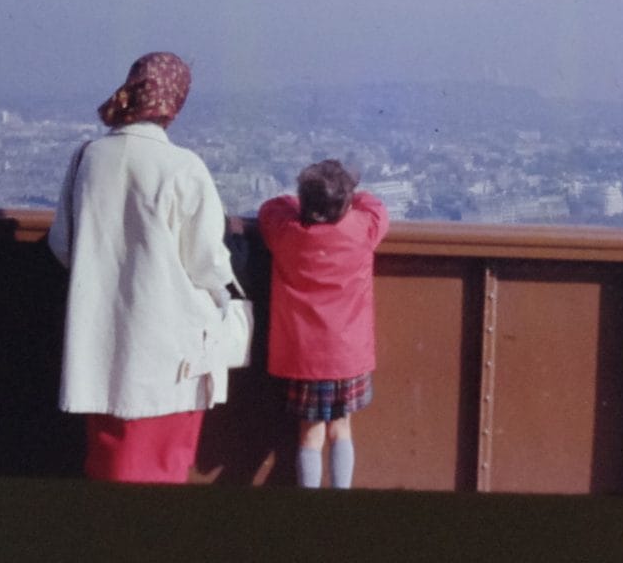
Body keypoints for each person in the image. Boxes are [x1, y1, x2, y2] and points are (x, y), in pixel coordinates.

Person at [48, 51, 243, 484]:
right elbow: (207, 263)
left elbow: (63, 243)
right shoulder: (183, 167)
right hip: (171, 354)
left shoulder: (87, 158)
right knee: (164, 469)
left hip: (100, 347)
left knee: (109, 464)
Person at [258, 159, 390, 488]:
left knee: (310, 434)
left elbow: (271, 206)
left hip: (304, 357)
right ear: (345, 202)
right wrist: (351, 197)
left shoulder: (285, 232)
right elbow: (376, 205)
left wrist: (299, 202)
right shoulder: (362, 228)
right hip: (347, 355)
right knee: (341, 427)